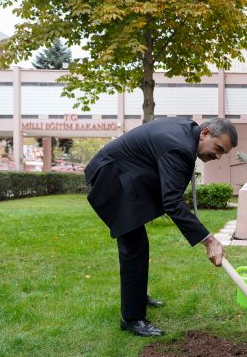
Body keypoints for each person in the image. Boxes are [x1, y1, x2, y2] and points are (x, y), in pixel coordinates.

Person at [84, 117, 237, 337]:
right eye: (218, 148)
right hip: (111, 176)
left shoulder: (187, 135)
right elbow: (172, 203)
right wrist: (208, 240)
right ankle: (132, 318)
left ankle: (136, 297)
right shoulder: (180, 146)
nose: (218, 156)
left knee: (138, 244)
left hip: (124, 173)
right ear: (204, 133)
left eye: (223, 153)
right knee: (134, 246)